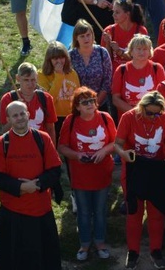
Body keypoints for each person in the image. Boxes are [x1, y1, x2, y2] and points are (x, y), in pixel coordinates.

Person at [0, 101, 62, 270]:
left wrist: (37, 184)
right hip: (13, 213)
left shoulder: (43, 138)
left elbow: (55, 170)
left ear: (29, 114)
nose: (20, 118)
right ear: (8, 119)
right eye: (15, 115)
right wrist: (21, 187)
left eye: (22, 114)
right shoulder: (1, 143)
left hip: (41, 211)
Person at [115, 91, 165, 269]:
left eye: (156, 113)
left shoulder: (164, 119)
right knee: (133, 212)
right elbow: (117, 144)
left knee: (156, 214)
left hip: (156, 170)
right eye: (149, 113)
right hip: (134, 169)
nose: (152, 117)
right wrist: (123, 154)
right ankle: (133, 252)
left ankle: (155, 250)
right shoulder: (129, 117)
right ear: (141, 108)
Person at [58, 87, 116, 261]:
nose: (90, 104)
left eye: (92, 100)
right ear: (77, 107)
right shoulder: (71, 121)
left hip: (102, 173)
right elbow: (62, 147)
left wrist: (104, 150)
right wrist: (77, 155)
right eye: (85, 102)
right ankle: (84, 244)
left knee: (99, 211)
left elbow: (116, 141)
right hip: (80, 175)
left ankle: (100, 243)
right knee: (83, 212)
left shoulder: (105, 118)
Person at [0, 62, 58, 144]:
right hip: (17, 146)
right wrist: (15, 110)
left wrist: (52, 151)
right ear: (18, 78)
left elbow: (51, 129)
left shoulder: (45, 98)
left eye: (33, 80)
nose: (30, 84)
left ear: (37, 78)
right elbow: (4, 130)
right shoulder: (8, 99)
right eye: (26, 80)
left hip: (40, 146)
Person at [112, 33, 165, 114]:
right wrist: (137, 113)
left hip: (152, 116)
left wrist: (149, 112)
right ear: (131, 51)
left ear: (149, 51)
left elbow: (163, 96)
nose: (142, 52)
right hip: (129, 118)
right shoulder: (121, 70)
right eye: (138, 49)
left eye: (145, 49)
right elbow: (115, 99)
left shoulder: (157, 68)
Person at [70, 19, 114, 113]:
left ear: (93, 35)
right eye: (82, 36)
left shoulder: (102, 53)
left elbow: (107, 81)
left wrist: (94, 104)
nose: (86, 39)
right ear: (76, 38)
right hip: (77, 106)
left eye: (88, 35)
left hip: (100, 105)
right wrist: (82, 105)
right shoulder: (71, 56)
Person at [102, 0, 147, 70]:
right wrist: (107, 44)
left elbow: (142, 58)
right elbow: (106, 61)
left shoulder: (140, 31)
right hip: (115, 74)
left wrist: (119, 51)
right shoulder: (109, 30)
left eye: (117, 12)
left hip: (135, 72)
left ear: (127, 14)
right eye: (113, 12)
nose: (113, 15)